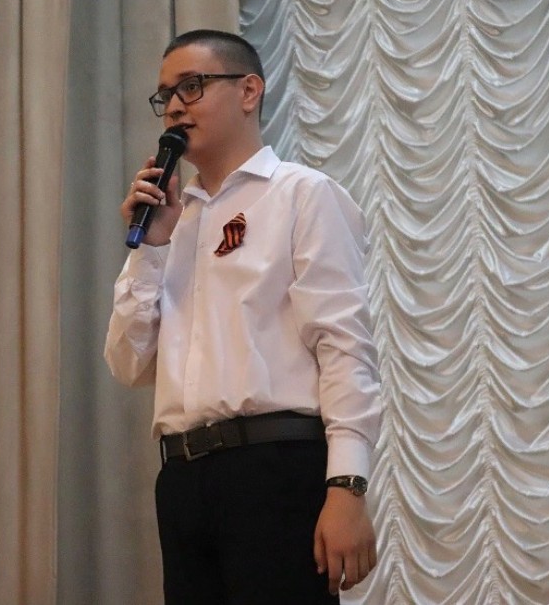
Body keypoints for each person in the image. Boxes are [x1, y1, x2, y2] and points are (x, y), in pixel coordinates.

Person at [104, 29, 382, 604]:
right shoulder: (172, 220)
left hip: (275, 470)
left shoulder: (302, 195)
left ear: (249, 90)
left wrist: (347, 487)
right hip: (182, 479)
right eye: (166, 94)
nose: (175, 106)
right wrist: (149, 248)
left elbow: (344, 347)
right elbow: (128, 364)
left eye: (192, 86)